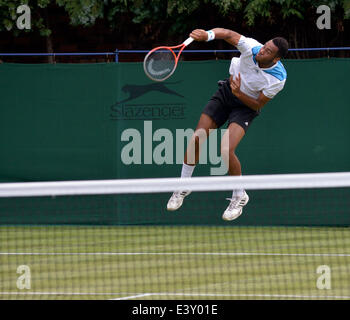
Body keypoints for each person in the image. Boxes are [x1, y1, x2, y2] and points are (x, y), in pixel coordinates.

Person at [166, 28, 288, 221]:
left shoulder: (277, 78)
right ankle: (183, 185)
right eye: (264, 46)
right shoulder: (252, 48)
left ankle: (239, 195)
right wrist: (208, 36)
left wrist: (239, 93)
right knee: (198, 136)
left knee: (225, 149)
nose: (262, 51)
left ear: (276, 59)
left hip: (246, 106)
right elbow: (228, 34)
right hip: (226, 94)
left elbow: (258, 104)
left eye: (268, 52)